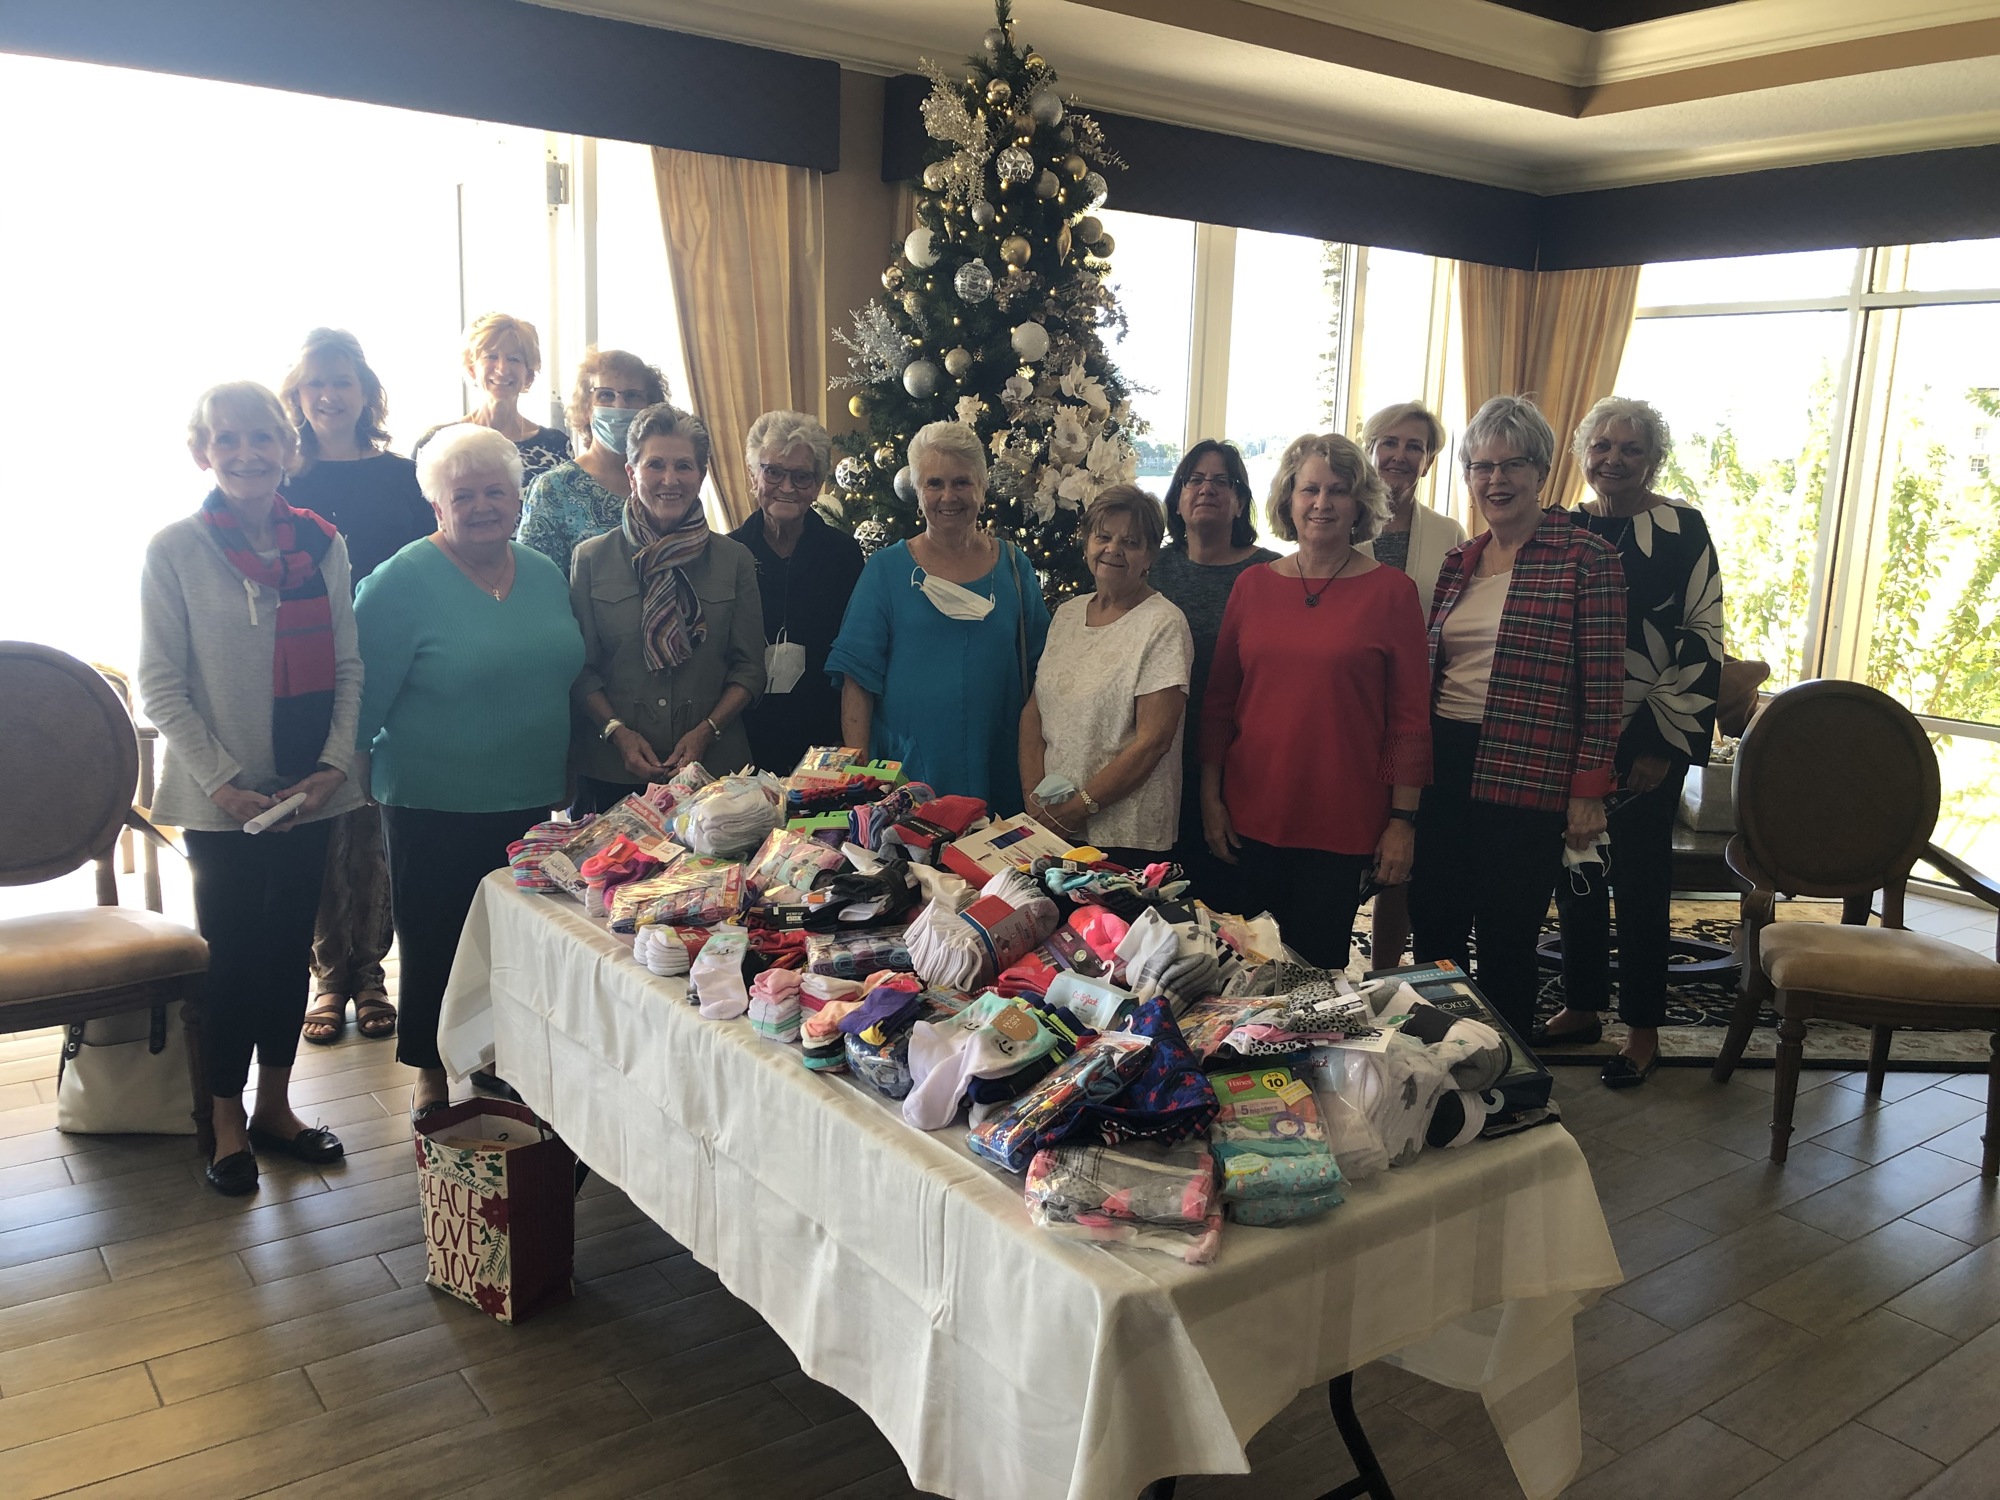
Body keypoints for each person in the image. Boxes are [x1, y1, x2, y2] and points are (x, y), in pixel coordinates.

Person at [139, 382, 363, 1194]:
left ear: (287, 448)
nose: (246, 454)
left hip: (312, 792)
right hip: (220, 803)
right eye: (227, 440)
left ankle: (276, 1106)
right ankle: (225, 1117)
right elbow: (159, 685)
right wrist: (227, 782)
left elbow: (348, 664)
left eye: (262, 438)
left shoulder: (324, 545)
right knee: (235, 956)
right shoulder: (175, 549)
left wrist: (335, 765)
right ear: (204, 451)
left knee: (288, 953)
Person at [355, 424, 584, 1119]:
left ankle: (494, 1058)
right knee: (435, 938)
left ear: (518, 500)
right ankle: (428, 1071)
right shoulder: (399, 583)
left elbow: (566, 677)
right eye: (465, 494)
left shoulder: (543, 573)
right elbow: (361, 699)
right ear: (438, 507)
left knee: (509, 942)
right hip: (432, 796)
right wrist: (360, 780)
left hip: (529, 795)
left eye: (496, 491)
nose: (483, 505)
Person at [1409, 396, 1626, 1037]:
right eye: (1480, 466)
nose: (1495, 480)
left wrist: (1589, 791)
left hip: (1529, 768)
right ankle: (1436, 1058)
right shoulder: (1459, 563)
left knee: (1507, 930)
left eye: (1512, 465)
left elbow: (1604, 688)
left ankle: (1505, 1072)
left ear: (1541, 473)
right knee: (1437, 919)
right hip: (1445, 761)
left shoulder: (1586, 559)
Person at [1200, 434, 1431, 970]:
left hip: (1343, 821)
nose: (1322, 503)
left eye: (1338, 491)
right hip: (1248, 814)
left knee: (1315, 975)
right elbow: (1218, 705)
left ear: (1360, 505)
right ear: (1288, 499)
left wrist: (1403, 822)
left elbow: (1410, 721)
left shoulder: (1392, 593)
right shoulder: (1251, 586)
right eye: (1309, 490)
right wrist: (1211, 801)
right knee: (1240, 975)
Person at [1546, 397, 1724, 1087]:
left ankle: (1644, 1028)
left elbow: (1703, 633)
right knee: (1577, 874)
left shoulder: (1681, 529)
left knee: (1644, 883)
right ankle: (1582, 1005)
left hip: (1652, 737)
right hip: (1572, 737)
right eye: (1602, 446)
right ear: (1583, 452)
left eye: (1631, 448)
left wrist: (1663, 747)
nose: (1613, 459)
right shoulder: (1563, 526)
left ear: (1653, 459)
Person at [279, 327, 433, 1047]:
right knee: (317, 817)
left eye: (343, 383)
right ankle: (326, 975)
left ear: (367, 393)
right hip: (302, 671)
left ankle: (371, 972)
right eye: (317, 384)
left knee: (372, 821)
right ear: (299, 396)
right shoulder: (282, 479)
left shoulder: (402, 476)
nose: (330, 396)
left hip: (386, 669)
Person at [827, 422, 1050, 813]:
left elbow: (1042, 671)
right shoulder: (885, 571)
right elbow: (857, 681)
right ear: (918, 492)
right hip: (909, 774)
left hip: (998, 765)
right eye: (934, 483)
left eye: (962, 482)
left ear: (982, 488)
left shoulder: (1015, 567)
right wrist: (859, 778)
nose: (949, 496)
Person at [570, 404, 766, 811]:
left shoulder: (735, 560)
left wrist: (707, 732)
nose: (669, 480)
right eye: (655, 465)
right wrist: (618, 733)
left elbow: (749, 669)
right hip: (612, 771)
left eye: (684, 466)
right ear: (631, 472)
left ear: (703, 474)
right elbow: (581, 670)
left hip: (714, 775)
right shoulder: (591, 559)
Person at [1020, 485, 1192, 865]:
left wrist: (1078, 808)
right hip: (1053, 827)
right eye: (1103, 537)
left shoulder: (1163, 624)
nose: (1113, 549)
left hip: (1127, 837)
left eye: (1130, 542)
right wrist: (1036, 803)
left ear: (1149, 556)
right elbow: (1035, 712)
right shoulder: (1067, 614)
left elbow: (1153, 742)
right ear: (1087, 546)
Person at [1355, 402, 1468, 972]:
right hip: (1351, 708)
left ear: (1428, 461)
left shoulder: (1450, 535)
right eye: (1390, 443)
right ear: (1371, 450)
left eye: (1415, 447)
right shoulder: (1339, 524)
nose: (1401, 455)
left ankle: (1385, 968)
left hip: (1420, 710)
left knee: (1405, 843)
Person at [1148, 441, 1277, 906]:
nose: (1206, 489)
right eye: (1194, 480)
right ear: (1177, 497)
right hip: (1155, 755)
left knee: (1228, 902)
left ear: (1240, 500)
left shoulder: (1270, 574)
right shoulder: (1150, 567)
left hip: (1237, 758)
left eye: (1222, 481)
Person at [728, 411, 864, 773]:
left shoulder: (843, 555)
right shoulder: (729, 553)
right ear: (753, 475)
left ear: (818, 484)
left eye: (802, 476)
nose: (786, 487)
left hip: (822, 735)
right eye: (773, 471)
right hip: (742, 735)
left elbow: (854, 652)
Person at [519, 347, 667, 577]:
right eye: (606, 395)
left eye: (632, 396)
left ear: (650, 407)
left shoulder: (667, 481)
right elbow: (535, 581)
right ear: (586, 406)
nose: (619, 406)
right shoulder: (552, 490)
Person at [413, 312, 570, 483]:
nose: (502, 369)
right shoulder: (435, 442)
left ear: (529, 374)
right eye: (491, 357)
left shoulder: (557, 445)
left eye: (514, 359)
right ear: (472, 367)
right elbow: (416, 507)